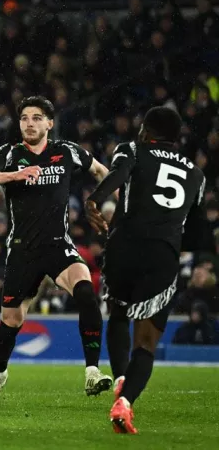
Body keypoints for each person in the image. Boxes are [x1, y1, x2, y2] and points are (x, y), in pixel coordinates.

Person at [0, 96, 112, 403]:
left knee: (87, 295)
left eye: (37, 118)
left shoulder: (67, 151)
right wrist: (14, 175)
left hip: (58, 246)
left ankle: (92, 372)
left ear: (49, 123)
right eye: (24, 118)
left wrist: (100, 202)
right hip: (22, 250)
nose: (30, 123)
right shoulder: (10, 154)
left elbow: (103, 172)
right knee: (11, 320)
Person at [85, 106, 208, 434]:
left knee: (118, 313)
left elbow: (120, 175)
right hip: (162, 255)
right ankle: (125, 402)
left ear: (145, 131)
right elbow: (197, 234)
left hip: (123, 246)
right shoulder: (196, 173)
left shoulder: (132, 149)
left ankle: (121, 376)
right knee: (146, 342)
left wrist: (93, 199)